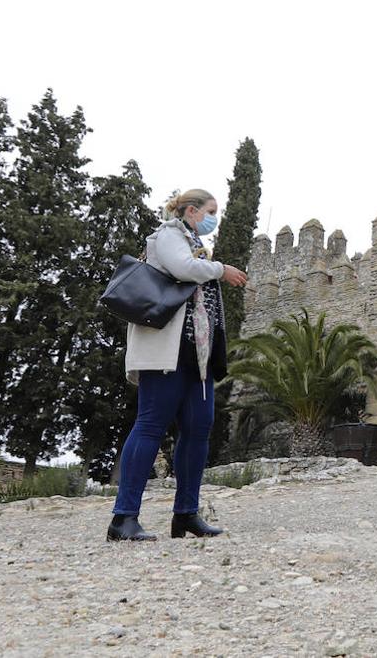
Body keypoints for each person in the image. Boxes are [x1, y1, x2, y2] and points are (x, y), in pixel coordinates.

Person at [106, 189, 248, 542]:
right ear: (190, 210)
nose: (215, 217)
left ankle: (186, 514)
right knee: (151, 425)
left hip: (197, 359)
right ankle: (123, 518)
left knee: (199, 428)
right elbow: (182, 269)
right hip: (164, 352)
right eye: (211, 211)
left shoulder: (197, 245)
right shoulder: (168, 235)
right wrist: (221, 270)